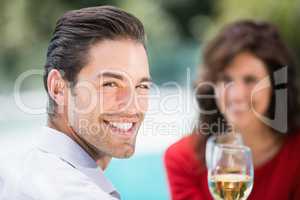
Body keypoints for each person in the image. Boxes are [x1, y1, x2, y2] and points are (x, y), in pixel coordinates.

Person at [2, 5, 151, 200]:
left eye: (141, 86)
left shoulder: (14, 173)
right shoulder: (72, 192)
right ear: (58, 88)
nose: (132, 106)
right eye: (110, 84)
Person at [164, 20, 300, 200]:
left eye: (250, 80)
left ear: (276, 86)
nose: (237, 95)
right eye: (226, 80)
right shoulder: (182, 159)